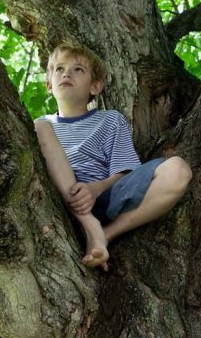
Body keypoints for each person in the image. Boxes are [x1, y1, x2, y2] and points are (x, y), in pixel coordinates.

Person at [34, 42, 192, 270]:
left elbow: (125, 171)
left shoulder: (110, 120)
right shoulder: (42, 126)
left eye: (78, 69)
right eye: (59, 69)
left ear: (95, 87)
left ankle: (105, 234)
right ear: (49, 84)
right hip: (59, 199)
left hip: (102, 197)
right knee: (40, 127)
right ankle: (89, 226)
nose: (66, 73)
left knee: (178, 169)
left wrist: (94, 189)